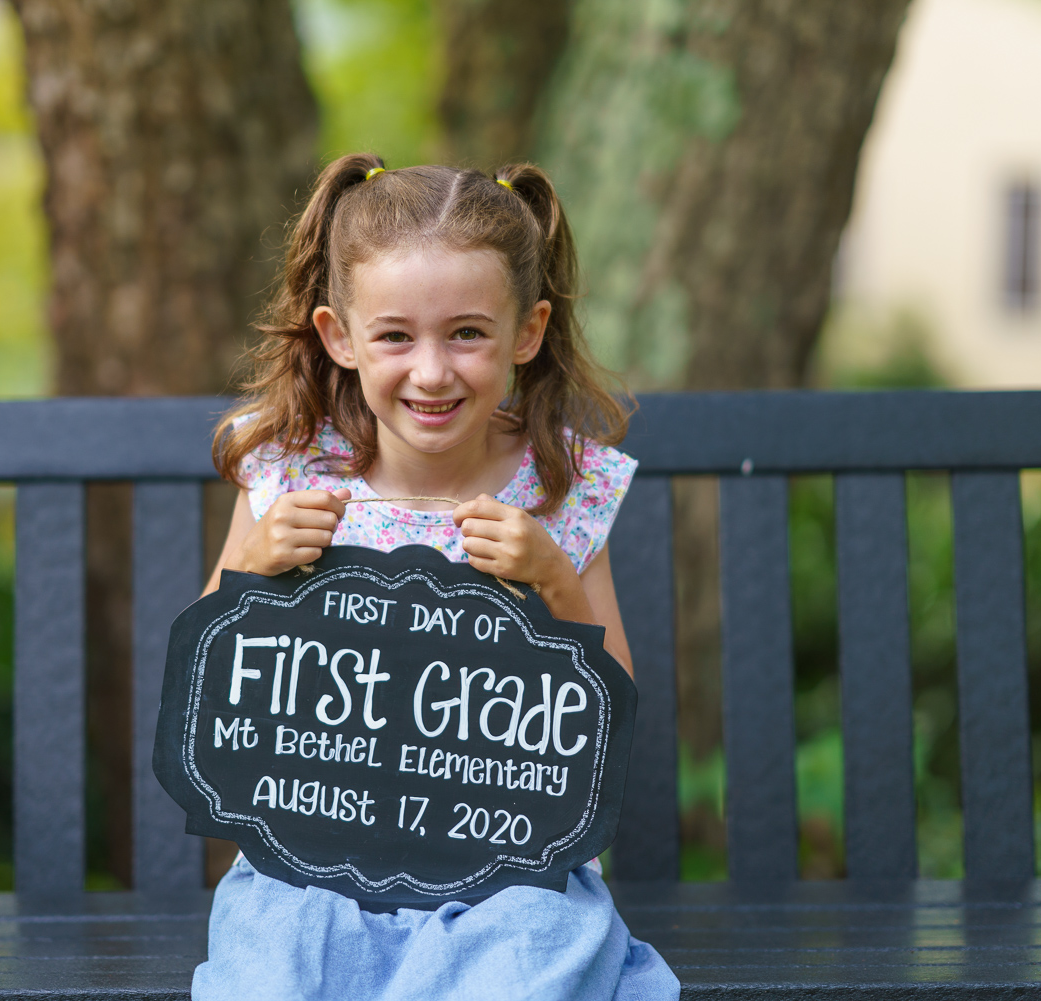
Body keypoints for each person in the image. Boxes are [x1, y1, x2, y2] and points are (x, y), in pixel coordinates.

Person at [193, 153, 678, 1001]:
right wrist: (255, 561)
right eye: (394, 335)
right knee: (273, 972)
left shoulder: (558, 488)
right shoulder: (294, 474)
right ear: (338, 335)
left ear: (525, 331)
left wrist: (555, 578)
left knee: (523, 966)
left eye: (466, 332)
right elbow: (203, 679)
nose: (431, 370)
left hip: (505, 867)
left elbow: (614, 712)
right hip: (317, 861)